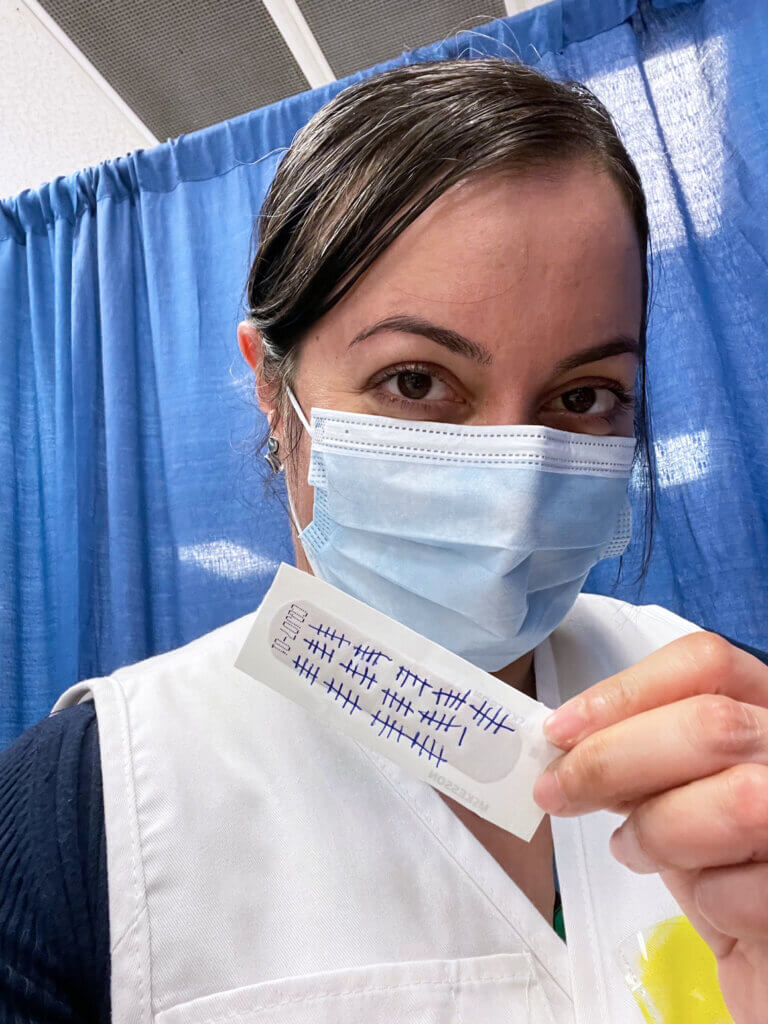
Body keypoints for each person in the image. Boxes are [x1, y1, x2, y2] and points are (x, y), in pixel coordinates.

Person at [1, 57, 766, 1024]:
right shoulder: (87, 812)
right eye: (416, 381)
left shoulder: (728, 714)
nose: (514, 489)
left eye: (582, 399)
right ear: (273, 390)